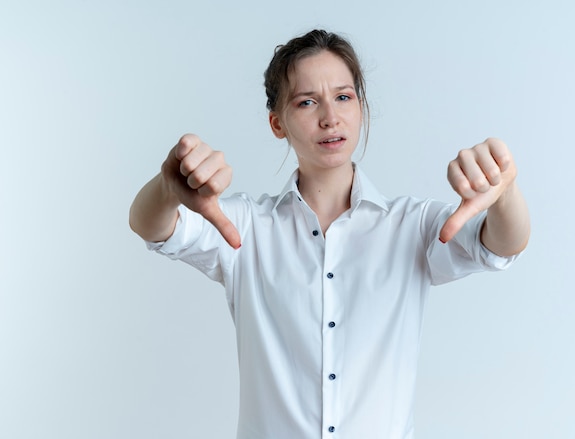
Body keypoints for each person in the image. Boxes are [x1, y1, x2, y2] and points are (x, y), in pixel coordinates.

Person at [129, 29, 530, 439]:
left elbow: (501, 244)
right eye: (306, 102)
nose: (330, 118)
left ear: (361, 108)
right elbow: (154, 227)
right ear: (277, 123)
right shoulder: (246, 227)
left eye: (343, 97)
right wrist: (167, 187)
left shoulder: (410, 225)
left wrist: (506, 190)